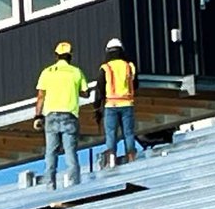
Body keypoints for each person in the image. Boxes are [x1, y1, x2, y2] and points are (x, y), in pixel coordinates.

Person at [33, 41, 89, 189]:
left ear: (56, 56)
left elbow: (40, 96)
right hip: (69, 115)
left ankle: (50, 185)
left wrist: (38, 116)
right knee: (70, 151)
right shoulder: (76, 72)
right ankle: (73, 183)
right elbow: (85, 92)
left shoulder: (47, 72)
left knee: (50, 152)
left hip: (51, 116)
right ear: (70, 56)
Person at [94, 37, 138, 166]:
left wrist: (97, 107)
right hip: (127, 104)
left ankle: (111, 159)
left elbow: (100, 89)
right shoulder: (129, 66)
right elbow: (135, 84)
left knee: (111, 134)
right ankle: (131, 157)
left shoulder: (105, 67)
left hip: (111, 105)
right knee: (129, 133)